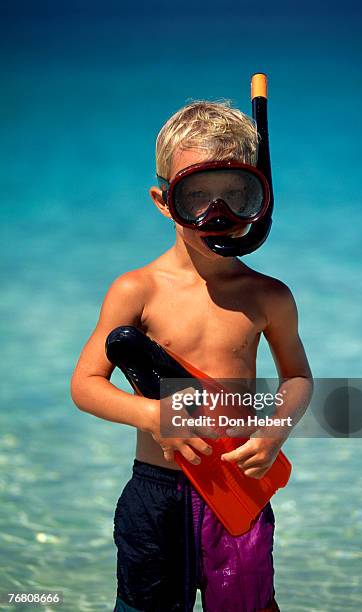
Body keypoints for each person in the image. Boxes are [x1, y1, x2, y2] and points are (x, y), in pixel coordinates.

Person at [70, 100, 313, 612]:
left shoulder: (268, 295)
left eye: (235, 196)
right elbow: (87, 384)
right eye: (196, 197)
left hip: (239, 490)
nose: (216, 215)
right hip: (157, 493)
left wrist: (274, 429)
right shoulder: (137, 290)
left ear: (258, 197)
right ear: (164, 200)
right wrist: (154, 415)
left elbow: (297, 378)